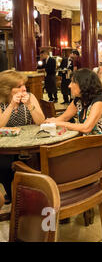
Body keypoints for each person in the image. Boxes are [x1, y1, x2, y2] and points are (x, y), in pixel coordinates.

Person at [44, 68, 102, 156]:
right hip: (86, 143)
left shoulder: (99, 101)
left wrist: (59, 123)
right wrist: (52, 121)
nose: (69, 86)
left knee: (63, 155)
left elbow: (86, 128)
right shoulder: (79, 99)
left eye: (73, 82)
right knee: (55, 152)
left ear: (83, 84)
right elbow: (64, 117)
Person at [0, 70, 45, 204]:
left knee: (31, 162)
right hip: (5, 145)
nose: (24, 88)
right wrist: (12, 106)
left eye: (23, 85)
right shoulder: (1, 102)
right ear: (8, 89)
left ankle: (29, 196)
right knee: (4, 166)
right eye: (19, 86)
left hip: (27, 143)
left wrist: (29, 105)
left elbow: (41, 121)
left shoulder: (30, 97)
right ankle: (12, 194)